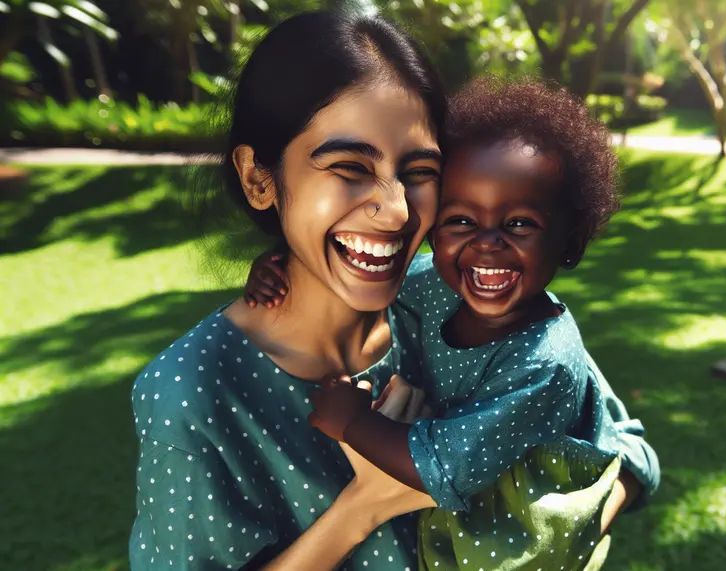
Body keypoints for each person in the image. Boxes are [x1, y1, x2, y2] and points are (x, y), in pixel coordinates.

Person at [130, 8, 657, 571]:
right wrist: (364, 506)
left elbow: (626, 445)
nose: (398, 212)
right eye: (350, 167)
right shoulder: (193, 391)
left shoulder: (456, 298)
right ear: (261, 178)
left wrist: (551, 546)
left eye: (420, 170)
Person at [247, 77, 656, 570]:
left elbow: (443, 465)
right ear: (433, 232)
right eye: (460, 221)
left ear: (569, 243)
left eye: (520, 224)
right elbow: (364, 272)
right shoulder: (439, 284)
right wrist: (283, 266)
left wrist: (353, 421)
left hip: (529, 543)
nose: (486, 243)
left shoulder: (544, 362)